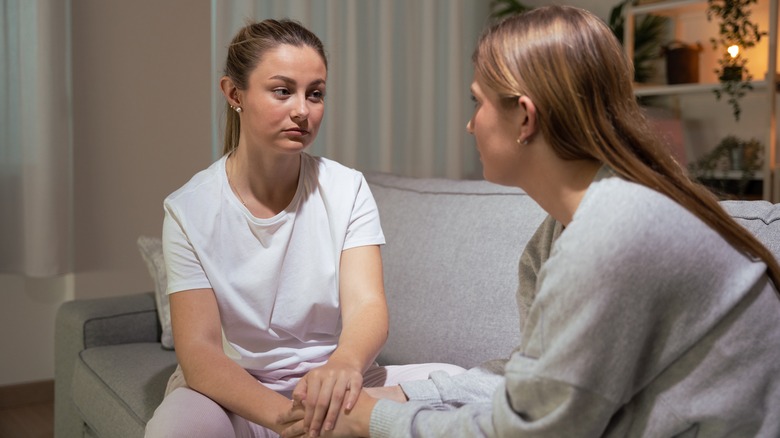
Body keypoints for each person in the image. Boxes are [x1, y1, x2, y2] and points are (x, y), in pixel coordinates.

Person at [278, 5, 780, 437]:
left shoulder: (616, 234)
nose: (470, 123)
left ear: (524, 116)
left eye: (478, 101)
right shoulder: (562, 232)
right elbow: (531, 378)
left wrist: (374, 421)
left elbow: (531, 430)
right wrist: (405, 395)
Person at [145, 19, 463, 438]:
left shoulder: (347, 189)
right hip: (238, 396)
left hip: (338, 387)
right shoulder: (188, 209)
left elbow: (368, 306)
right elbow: (200, 351)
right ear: (234, 94)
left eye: (315, 94)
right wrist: (289, 421)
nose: (302, 110)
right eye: (283, 91)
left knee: (464, 386)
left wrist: (344, 366)